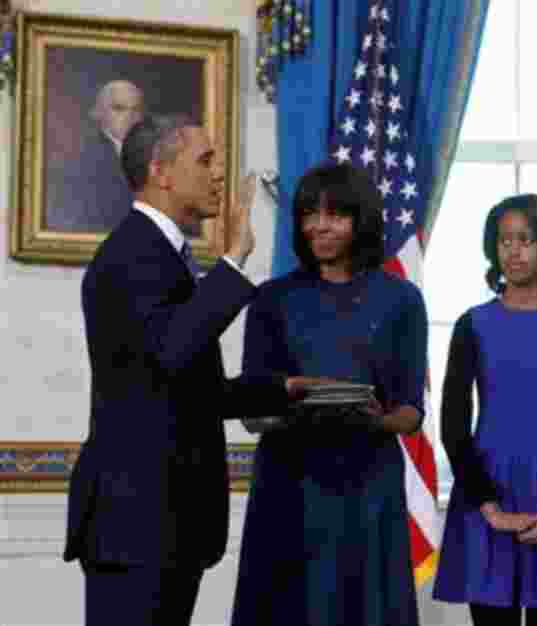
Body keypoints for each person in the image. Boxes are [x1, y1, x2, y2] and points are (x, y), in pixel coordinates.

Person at [64, 114, 318, 626]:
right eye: (205, 160)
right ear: (160, 171)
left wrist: (281, 390)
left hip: (166, 525)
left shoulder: (163, 254)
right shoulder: (131, 254)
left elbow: (183, 388)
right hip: (136, 526)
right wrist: (235, 259)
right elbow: (174, 350)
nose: (219, 174)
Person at [230, 162, 427, 626]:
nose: (320, 225)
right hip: (289, 486)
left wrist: (373, 418)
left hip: (367, 486)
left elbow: (411, 412)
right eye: (309, 214)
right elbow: (250, 409)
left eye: (335, 214)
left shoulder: (401, 299)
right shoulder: (271, 299)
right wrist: (292, 411)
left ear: (361, 220)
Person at [433, 194, 537, 626]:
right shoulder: (471, 325)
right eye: (504, 240)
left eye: (525, 239)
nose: (513, 250)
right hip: (485, 490)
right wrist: (489, 507)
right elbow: (453, 424)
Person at [48, 80, 145, 232]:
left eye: (136, 110)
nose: (130, 117)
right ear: (98, 113)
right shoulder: (82, 159)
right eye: (119, 109)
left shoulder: (154, 155)